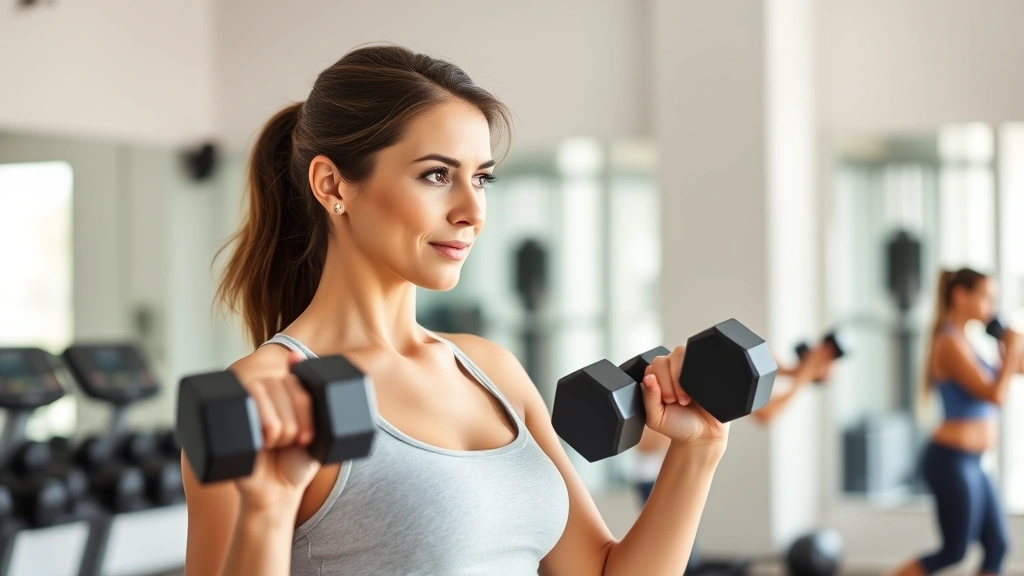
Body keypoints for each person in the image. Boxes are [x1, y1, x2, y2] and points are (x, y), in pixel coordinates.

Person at [182, 45, 731, 576]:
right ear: (333, 185)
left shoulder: (491, 370)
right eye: (437, 175)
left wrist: (697, 452)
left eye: (482, 178)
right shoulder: (266, 394)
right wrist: (268, 512)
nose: (473, 211)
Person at [892, 268, 1022, 576]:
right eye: (987, 297)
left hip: (974, 462)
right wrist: (1013, 349)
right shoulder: (948, 343)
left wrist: (1010, 348)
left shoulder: (969, 343)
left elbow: (1015, 372)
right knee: (954, 551)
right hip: (949, 460)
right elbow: (995, 395)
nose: (992, 306)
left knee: (997, 545)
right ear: (960, 295)